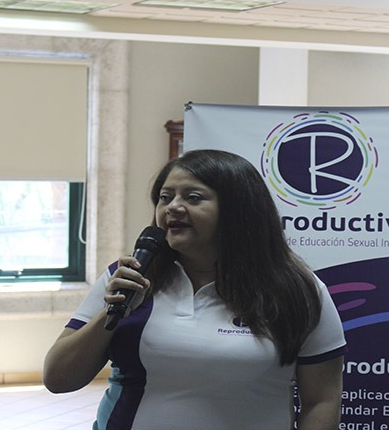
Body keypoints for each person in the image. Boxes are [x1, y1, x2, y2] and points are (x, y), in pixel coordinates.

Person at [43, 149, 347, 429]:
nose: (173, 207)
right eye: (165, 197)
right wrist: (113, 313)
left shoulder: (297, 290)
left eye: (193, 197)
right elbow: (58, 379)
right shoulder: (128, 276)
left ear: (239, 210)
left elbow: (321, 400)